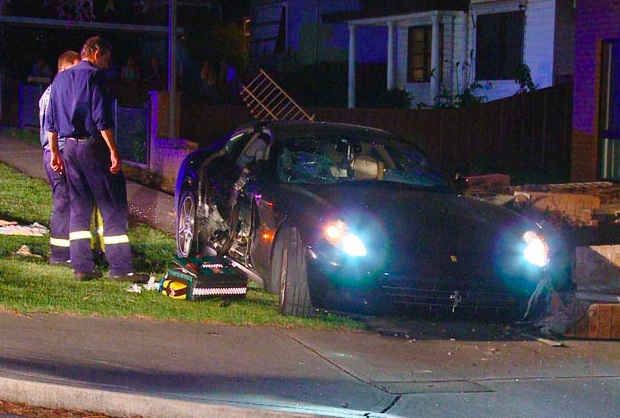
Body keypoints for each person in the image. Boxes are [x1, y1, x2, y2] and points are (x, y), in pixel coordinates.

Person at [45, 36, 148, 283]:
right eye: (106, 58)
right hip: (92, 146)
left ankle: (82, 267)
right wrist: (113, 149)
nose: (107, 64)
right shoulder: (95, 76)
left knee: (79, 207)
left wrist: (55, 152)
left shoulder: (59, 79)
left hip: (68, 147)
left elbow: (51, 120)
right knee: (112, 205)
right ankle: (120, 268)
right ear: (95, 52)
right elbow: (101, 117)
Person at [39, 50, 81, 265]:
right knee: (65, 203)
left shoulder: (47, 93)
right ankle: (62, 254)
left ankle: (63, 252)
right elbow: (54, 128)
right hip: (60, 153)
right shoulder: (59, 93)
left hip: (53, 152)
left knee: (64, 201)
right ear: (64, 69)